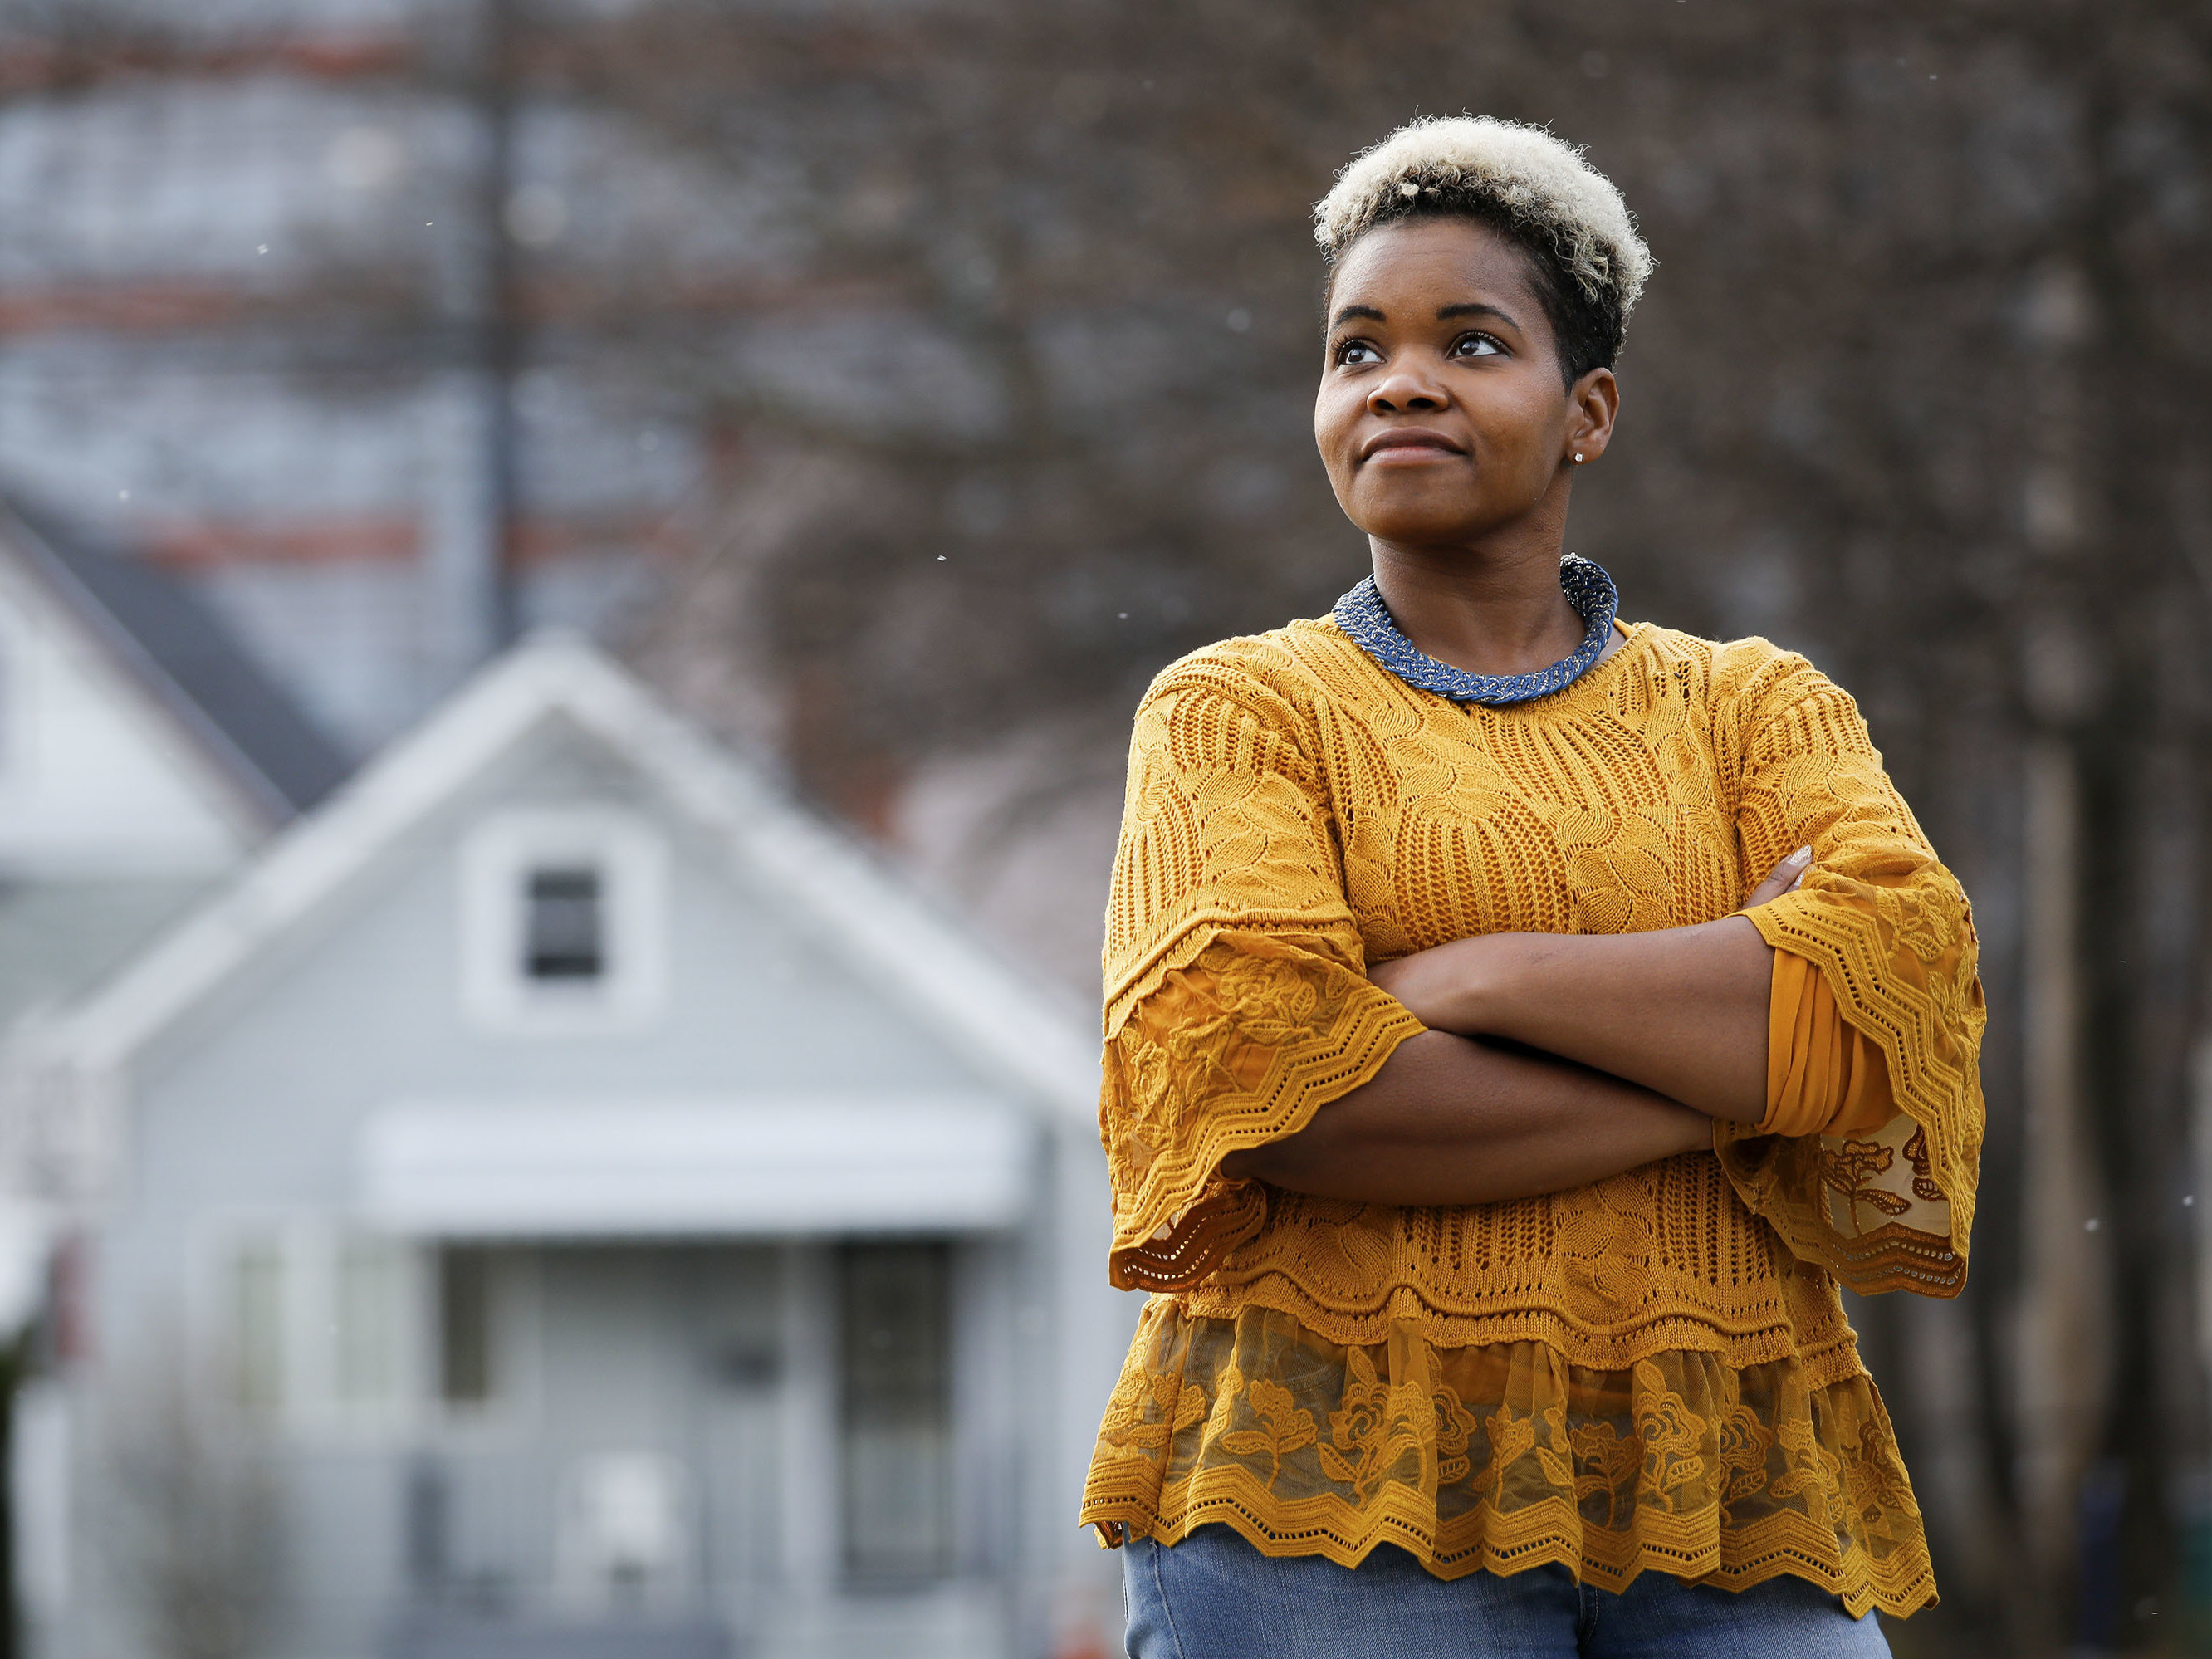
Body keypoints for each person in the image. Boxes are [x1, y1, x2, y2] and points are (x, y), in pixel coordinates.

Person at [1081, 116, 1984, 1659]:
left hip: (1728, 1491)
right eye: (1356, 349)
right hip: (1329, 1506)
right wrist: (1731, 1079)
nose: (1399, 380)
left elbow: (1886, 1007)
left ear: (1589, 414)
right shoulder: (1238, 712)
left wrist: (1477, 982)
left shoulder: (1756, 709)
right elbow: (1279, 1095)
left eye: (1472, 342)